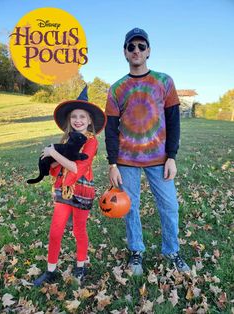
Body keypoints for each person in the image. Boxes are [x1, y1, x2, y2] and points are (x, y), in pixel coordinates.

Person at [105, 28, 190, 275]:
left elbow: (174, 121)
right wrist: (112, 163)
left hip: (159, 159)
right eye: (131, 47)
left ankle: (172, 251)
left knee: (170, 206)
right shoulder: (117, 88)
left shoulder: (164, 82)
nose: (136, 51)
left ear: (149, 51)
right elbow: (110, 128)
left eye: (141, 46)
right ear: (125, 52)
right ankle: (136, 252)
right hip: (126, 160)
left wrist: (172, 156)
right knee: (130, 207)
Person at [33, 86, 106, 286]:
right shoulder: (66, 140)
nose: (78, 120)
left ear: (89, 120)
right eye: (74, 116)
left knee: (79, 230)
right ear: (69, 119)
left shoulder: (91, 143)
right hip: (63, 190)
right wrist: (51, 160)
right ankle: (50, 271)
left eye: (83, 116)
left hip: (82, 191)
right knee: (55, 231)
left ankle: (80, 265)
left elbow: (76, 168)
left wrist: (53, 153)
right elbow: (57, 169)